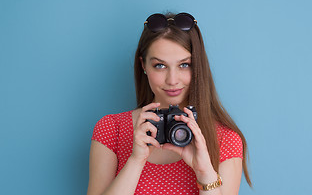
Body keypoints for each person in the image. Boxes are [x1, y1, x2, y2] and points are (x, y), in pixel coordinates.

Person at [87, 12, 252, 195]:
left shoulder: (225, 139)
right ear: (143, 65)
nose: (172, 80)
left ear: (197, 65)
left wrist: (204, 172)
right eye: (160, 65)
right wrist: (135, 161)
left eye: (184, 65)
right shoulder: (111, 129)